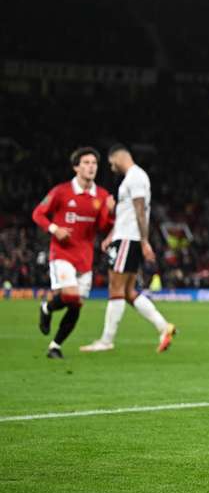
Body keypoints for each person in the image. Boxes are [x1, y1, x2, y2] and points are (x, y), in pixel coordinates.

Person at [80, 144, 176, 353]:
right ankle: (164, 327)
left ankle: (106, 340)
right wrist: (111, 235)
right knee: (129, 291)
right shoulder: (133, 178)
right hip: (124, 237)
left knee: (115, 289)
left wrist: (144, 241)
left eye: (111, 163)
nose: (111, 167)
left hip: (128, 239)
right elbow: (128, 212)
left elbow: (140, 210)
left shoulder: (135, 177)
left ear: (117, 157)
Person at [31, 147, 114, 359]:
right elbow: (38, 214)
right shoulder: (62, 191)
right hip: (62, 254)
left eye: (94, 163)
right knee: (70, 295)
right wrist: (54, 229)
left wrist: (111, 212)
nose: (91, 167)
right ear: (76, 167)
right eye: (86, 163)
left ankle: (55, 346)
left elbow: (104, 225)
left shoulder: (102, 196)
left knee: (76, 304)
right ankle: (46, 308)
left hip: (85, 259)